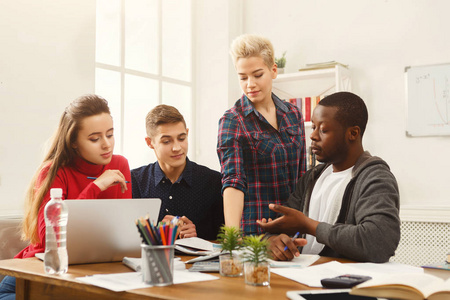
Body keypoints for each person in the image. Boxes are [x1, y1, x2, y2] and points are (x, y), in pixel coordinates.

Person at [0, 94, 131, 299]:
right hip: (36, 274)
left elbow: (122, 231)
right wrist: (95, 186)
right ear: (74, 142)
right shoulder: (53, 171)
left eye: (110, 134)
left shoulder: (120, 165)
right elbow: (49, 238)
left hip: (89, 271)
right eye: (95, 138)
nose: (106, 144)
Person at [257, 92, 401, 263]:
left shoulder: (375, 178)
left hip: (348, 283)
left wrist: (309, 226)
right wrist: (271, 241)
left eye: (323, 130)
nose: (313, 136)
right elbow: (282, 226)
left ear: (353, 133)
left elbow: (379, 242)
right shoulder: (312, 177)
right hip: (304, 276)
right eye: (314, 127)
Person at [217, 34, 306, 235]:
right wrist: (233, 239)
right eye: (243, 77)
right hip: (255, 234)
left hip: (294, 230)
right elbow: (233, 181)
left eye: (257, 75)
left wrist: (303, 224)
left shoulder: (294, 115)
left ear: (273, 70)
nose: (250, 84)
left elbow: (302, 177)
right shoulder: (233, 120)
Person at [131, 104, 224, 240]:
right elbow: (126, 238)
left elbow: (224, 241)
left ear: (187, 133)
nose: (177, 147)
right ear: (150, 142)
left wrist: (197, 236)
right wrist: (157, 234)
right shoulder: (135, 181)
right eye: (167, 141)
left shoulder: (214, 181)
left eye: (181, 138)